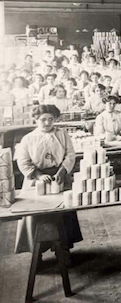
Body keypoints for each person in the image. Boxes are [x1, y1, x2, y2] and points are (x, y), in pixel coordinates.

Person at [14, 104, 83, 254]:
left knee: (63, 212)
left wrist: (62, 171)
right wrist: (38, 175)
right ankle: (37, 251)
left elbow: (70, 154)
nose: (47, 123)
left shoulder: (62, 134)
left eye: (51, 119)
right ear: (35, 120)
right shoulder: (28, 139)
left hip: (59, 176)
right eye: (43, 120)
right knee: (37, 214)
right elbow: (23, 161)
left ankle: (64, 250)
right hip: (37, 179)